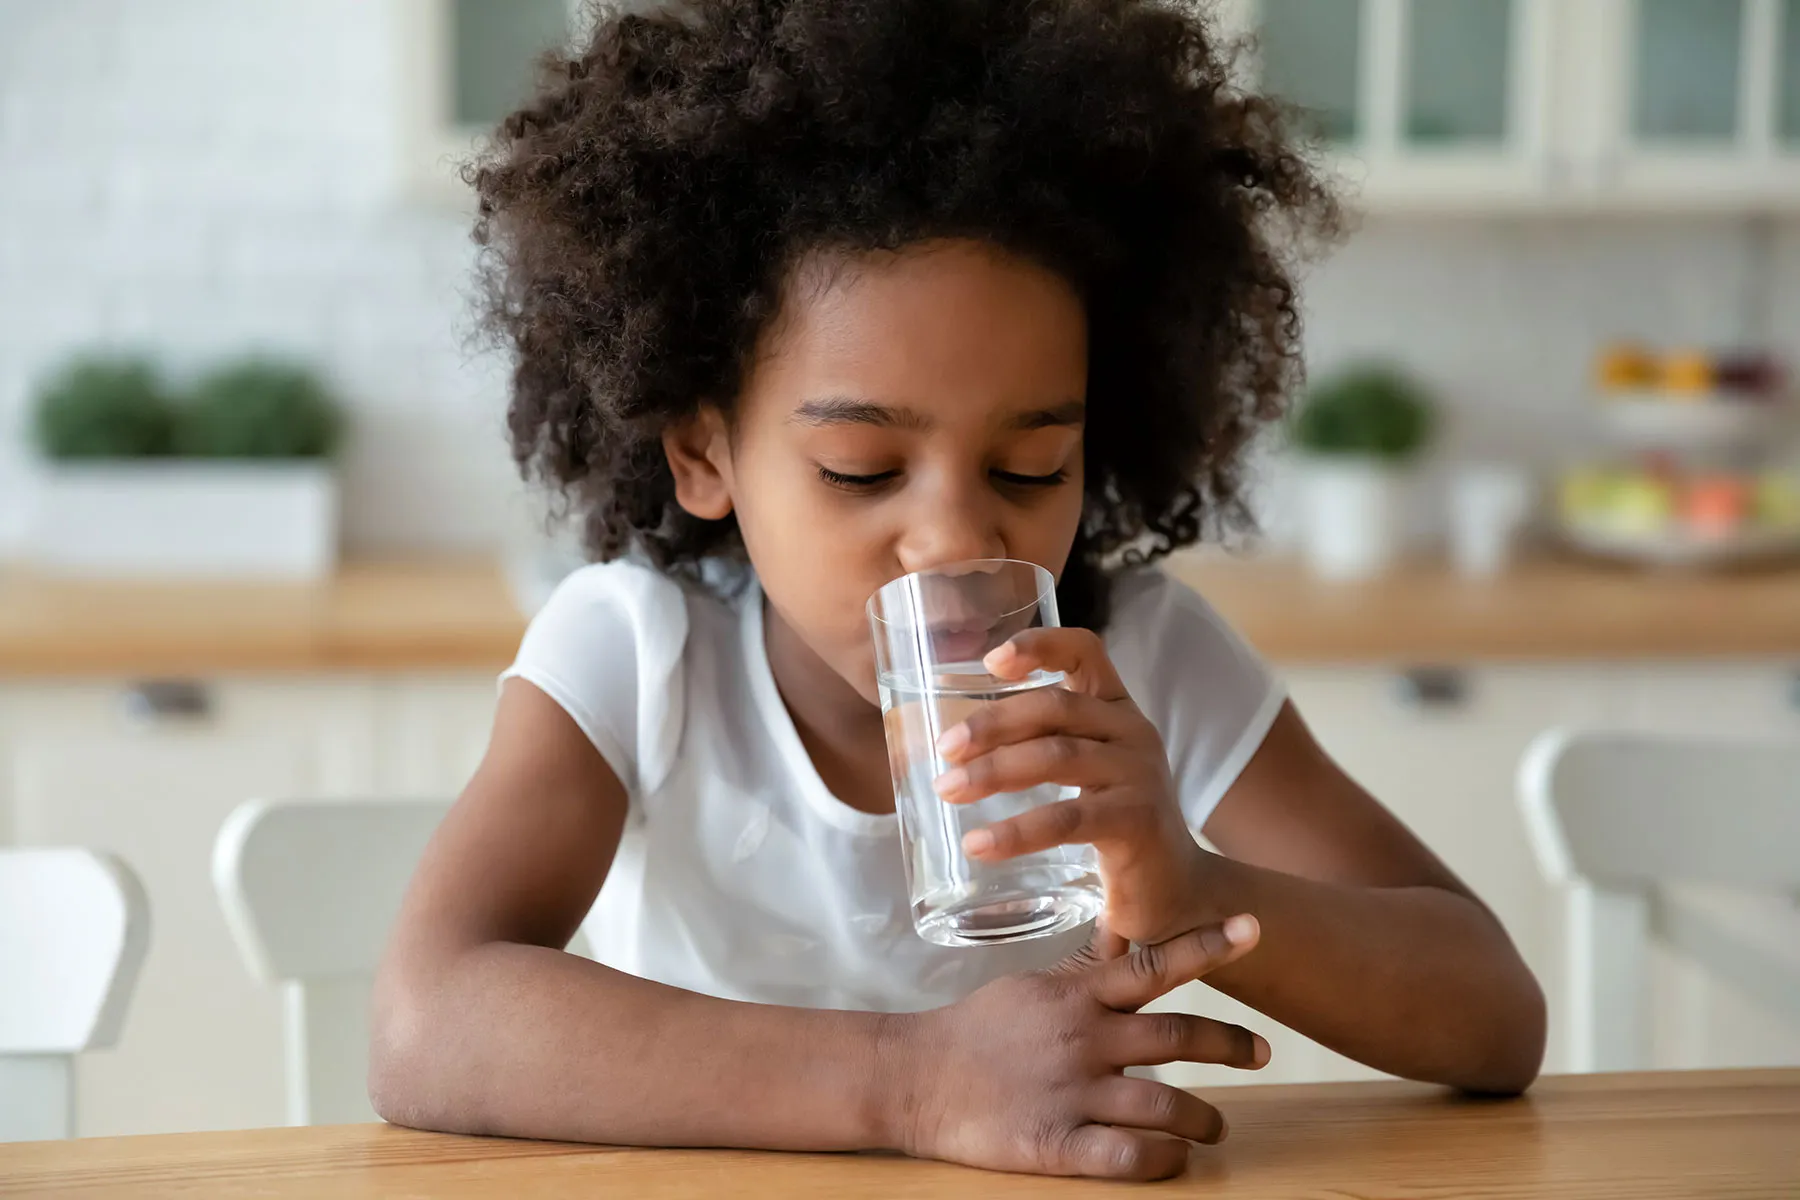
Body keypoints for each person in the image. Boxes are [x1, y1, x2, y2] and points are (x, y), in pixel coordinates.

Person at [370, 0, 1545, 1181]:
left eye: (1031, 466)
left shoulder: (1141, 657)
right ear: (704, 453)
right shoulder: (636, 655)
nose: (954, 539)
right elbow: (426, 1023)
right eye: (862, 470)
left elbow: (1495, 1016)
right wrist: (913, 1083)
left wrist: (1190, 883)